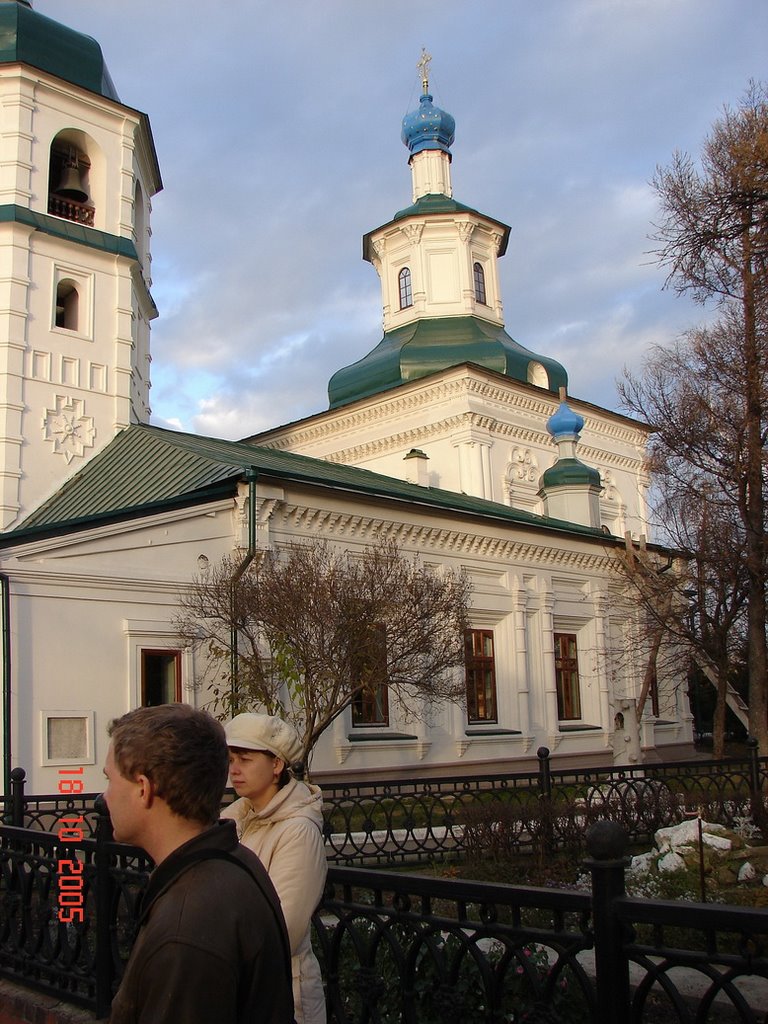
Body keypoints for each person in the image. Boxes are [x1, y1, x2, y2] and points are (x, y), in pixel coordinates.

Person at [104, 703, 295, 1024]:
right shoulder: (232, 860)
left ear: (143, 789)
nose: (104, 797)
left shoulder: (187, 928)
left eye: (109, 779)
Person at [222, 713, 327, 1024]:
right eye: (231, 759)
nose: (234, 769)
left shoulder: (298, 830)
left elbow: (283, 930)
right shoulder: (234, 819)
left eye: (245, 759)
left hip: (284, 998)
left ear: (277, 765)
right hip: (240, 991)